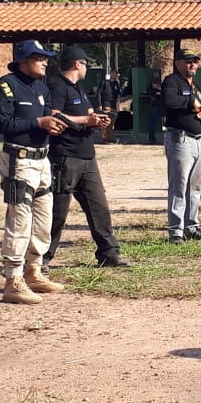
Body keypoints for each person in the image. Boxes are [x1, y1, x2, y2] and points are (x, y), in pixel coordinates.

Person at [43, 45, 132, 271]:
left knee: (98, 207)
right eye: (86, 64)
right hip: (65, 157)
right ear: (77, 64)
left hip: (87, 157)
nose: (87, 68)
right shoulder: (57, 86)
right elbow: (54, 115)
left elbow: (88, 113)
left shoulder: (79, 88)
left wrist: (98, 118)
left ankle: (109, 254)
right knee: (57, 212)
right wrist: (86, 121)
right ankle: (41, 259)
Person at [0, 40, 68, 304]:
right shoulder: (7, 85)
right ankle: (13, 280)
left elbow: (47, 117)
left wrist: (53, 126)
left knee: (43, 219)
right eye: (39, 58)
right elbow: (4, 124)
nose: (46, 62)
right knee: (20, 220)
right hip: (19, 159)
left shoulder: (41, 87)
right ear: (23, 60)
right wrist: (39, 122)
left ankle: (33, 271)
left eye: (47, 58)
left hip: (42, 159)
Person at [162, 47, 201, 245]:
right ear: (178, 63)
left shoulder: (196, 85)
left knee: (195, 186)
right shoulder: (172, 81)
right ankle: (176, 230)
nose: (193, 65)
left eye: (195, 61)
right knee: (179, 186)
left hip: (198, 139)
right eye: (188, 61)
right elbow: (169, 101)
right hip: (180, 139)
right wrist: (190, 101)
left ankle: (192, 226)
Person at [97, 69, 122, 142]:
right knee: (105, 122)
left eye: (116, 74)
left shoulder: (116, 84)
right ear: (110, 74)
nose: (115, 75)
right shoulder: (104, 82)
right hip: (106, 104)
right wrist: (99, 104)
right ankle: (104, 138)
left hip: (113, 105)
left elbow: (119, 94)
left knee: (112, 123)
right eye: (113, 73)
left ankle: (110, 138)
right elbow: (99, 94)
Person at [145, 76, 164, 145]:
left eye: (158, 84)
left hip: (160, 107)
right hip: (153, 107)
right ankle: (151, 139)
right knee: (152, 124)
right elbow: (151, 100)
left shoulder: (161, 89)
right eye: (156, 84)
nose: (157, 85)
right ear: (152, 83)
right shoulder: (150, 90)